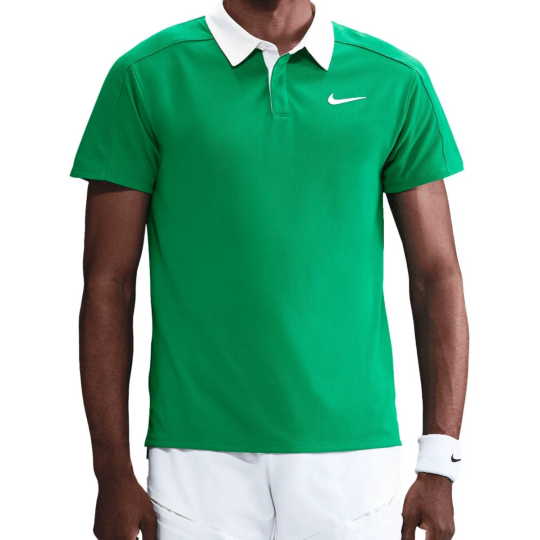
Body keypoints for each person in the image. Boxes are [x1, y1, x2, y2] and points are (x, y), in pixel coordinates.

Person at [71, 1, 469, 539]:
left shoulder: (395, 80)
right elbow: (108, 285)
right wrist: (112, 472)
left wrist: (440, 462)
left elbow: (436, 277)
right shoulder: (145, 76)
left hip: (352, 459)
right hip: (196, 457)